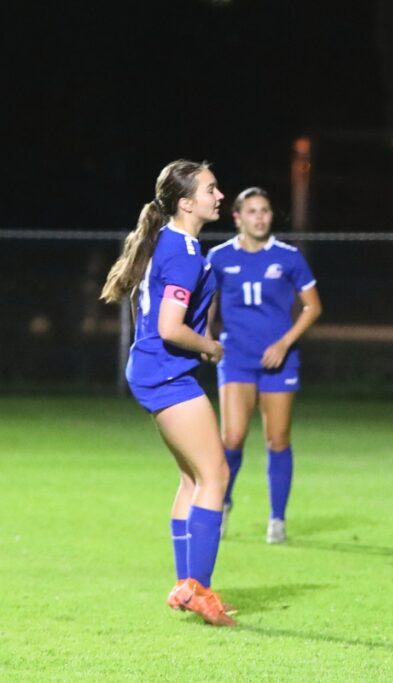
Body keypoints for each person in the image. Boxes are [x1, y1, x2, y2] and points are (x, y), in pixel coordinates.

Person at [99, 159, 234, 626]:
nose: (219, 196)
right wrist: (211, 347)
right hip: (166, 371)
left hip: (155, 368)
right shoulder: (182, 251)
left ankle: (186, 584)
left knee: (193, 480)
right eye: (211, 189)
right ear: (185, 202)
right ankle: (200, 588)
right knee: (215, 475)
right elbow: (171, 327)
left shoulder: (177, 243)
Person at [207, 187, 321, 544]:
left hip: (278, 361)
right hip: (237, 358)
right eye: (252, 211)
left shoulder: (288, 257)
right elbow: (207, 307)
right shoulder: (219, 256)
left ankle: (277, 520)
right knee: (233, 437)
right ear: (238, 217)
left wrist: (284, 343)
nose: (260, 217)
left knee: (278, 438)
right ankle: (222, 504)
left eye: (265, 211)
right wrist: (207, 341)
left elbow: (312, 307)